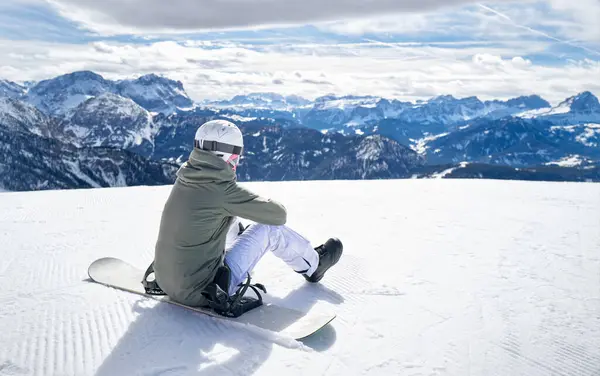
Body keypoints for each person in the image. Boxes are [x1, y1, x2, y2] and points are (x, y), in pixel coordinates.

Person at [149, 119, 343, 316]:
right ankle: (314, 265)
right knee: (269, 230)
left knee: (224, 217)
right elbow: (278, 215)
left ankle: (238, 245)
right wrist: (253, 200)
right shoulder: (222, 189)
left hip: (166, 280)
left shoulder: (186, 178)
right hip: (202, 291)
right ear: (227, 156)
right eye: (236, 156)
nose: (237, 161)